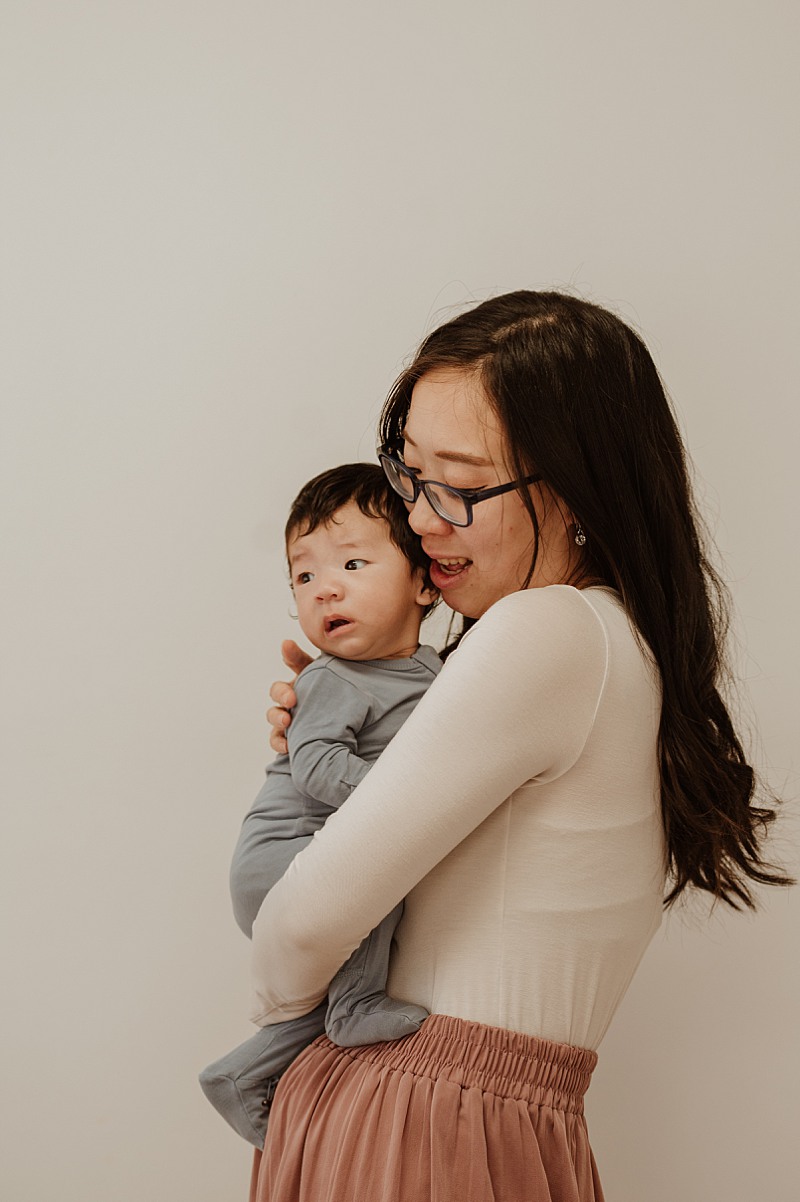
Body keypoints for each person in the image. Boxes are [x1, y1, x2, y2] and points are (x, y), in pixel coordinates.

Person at [249, 291, 791, 1202]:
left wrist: (275, 1019)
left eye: (458, 483)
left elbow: (301, 923)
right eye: (407, 472)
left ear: (576, 489)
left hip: (417, 1115)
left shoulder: (545, 632)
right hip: (491, 1122)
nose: (418, 518)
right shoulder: (617, 641)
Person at [200, 463, 440, 1148]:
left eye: (354, 562)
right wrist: (411, 797)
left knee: (341, 972)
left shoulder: (430, 670)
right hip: (282, 853)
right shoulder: (335, 678)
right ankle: (357, 1007)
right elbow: (314, 766)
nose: (324, 587)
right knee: (379, 881)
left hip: (309, 858)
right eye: (303, 577)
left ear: (424, 582)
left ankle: (244, 1073)